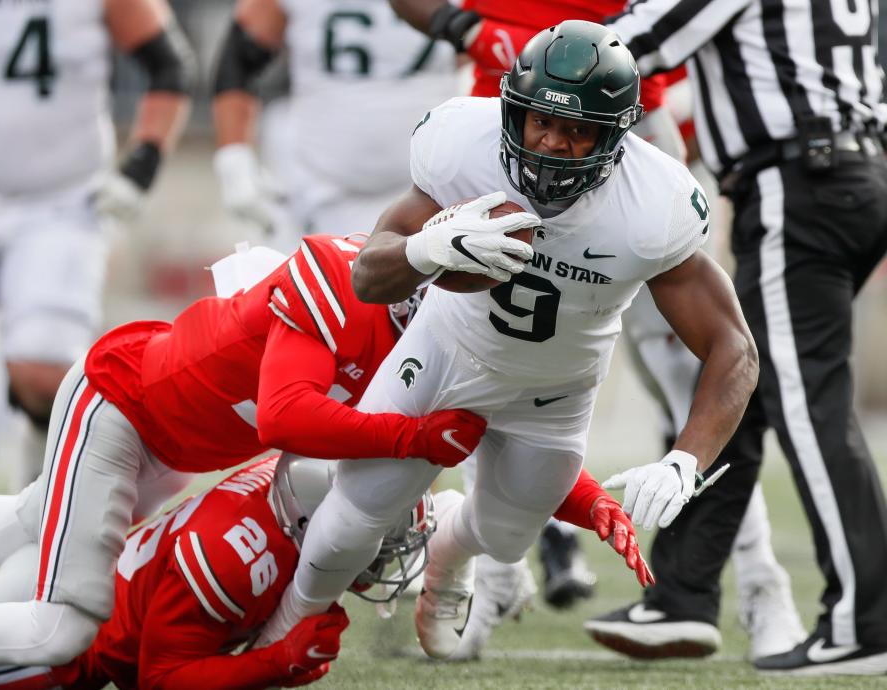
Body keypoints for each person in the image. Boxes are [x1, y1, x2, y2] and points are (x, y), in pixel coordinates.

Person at [254, 21, 759, 661]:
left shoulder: (652, 207)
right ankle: (285, 629)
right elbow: (367, 277)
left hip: (554, 391)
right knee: (353, 517)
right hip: (443, 350)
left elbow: (734, 348)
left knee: (503, 533)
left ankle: (448, 552)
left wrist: (686, 458)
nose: (551, 143)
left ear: (615, 137)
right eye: (539, 122)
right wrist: (424, 248)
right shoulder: (461, 146)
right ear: (510, 111)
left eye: (576, 131)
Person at [0, 233, 491, 667]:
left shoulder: (403, 336)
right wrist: (411, 437)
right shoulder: (336, 281)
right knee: (62, 627)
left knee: (36, 519)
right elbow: (283, 415)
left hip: (178, 446)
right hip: (123, 403)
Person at [582, 0, 887, 676]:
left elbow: (629, 42)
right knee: (734, 384)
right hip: (851, 171)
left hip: (796, 184)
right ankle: (682, 596)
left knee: (811, 409)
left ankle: (866, 622)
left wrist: (528, 55)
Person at [0, 0, 196, 510]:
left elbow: (168, 63)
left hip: (59, 199)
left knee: (45, 369)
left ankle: (43, 496)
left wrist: (140, 165)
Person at [0, 454, 422, 689]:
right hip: (55, 655)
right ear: (314, 524)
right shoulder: (236, 562)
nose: (384, 555)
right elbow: (159, 679)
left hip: (56, 575)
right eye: (378, 538)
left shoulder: (286, 486)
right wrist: (274, 662)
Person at [211, 0, 459, 248]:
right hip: (319, 181)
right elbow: (240, 56)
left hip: (430, 186)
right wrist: (234, 158)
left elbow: (488, 52)